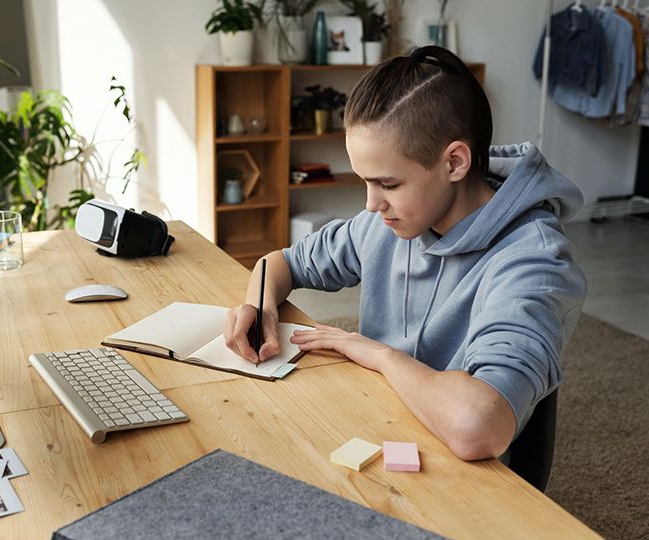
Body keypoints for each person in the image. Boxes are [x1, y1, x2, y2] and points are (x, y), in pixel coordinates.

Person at [224, 46, 586, 462]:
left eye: (388, 184)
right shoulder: (389, 222)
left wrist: (376, 354)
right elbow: (278, 263)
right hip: (377, 425)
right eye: (364, 181)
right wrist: (260, 308)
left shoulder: (533, 263)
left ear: (454, 162)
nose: (370, 204)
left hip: (460, 472)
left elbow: (479, 427)